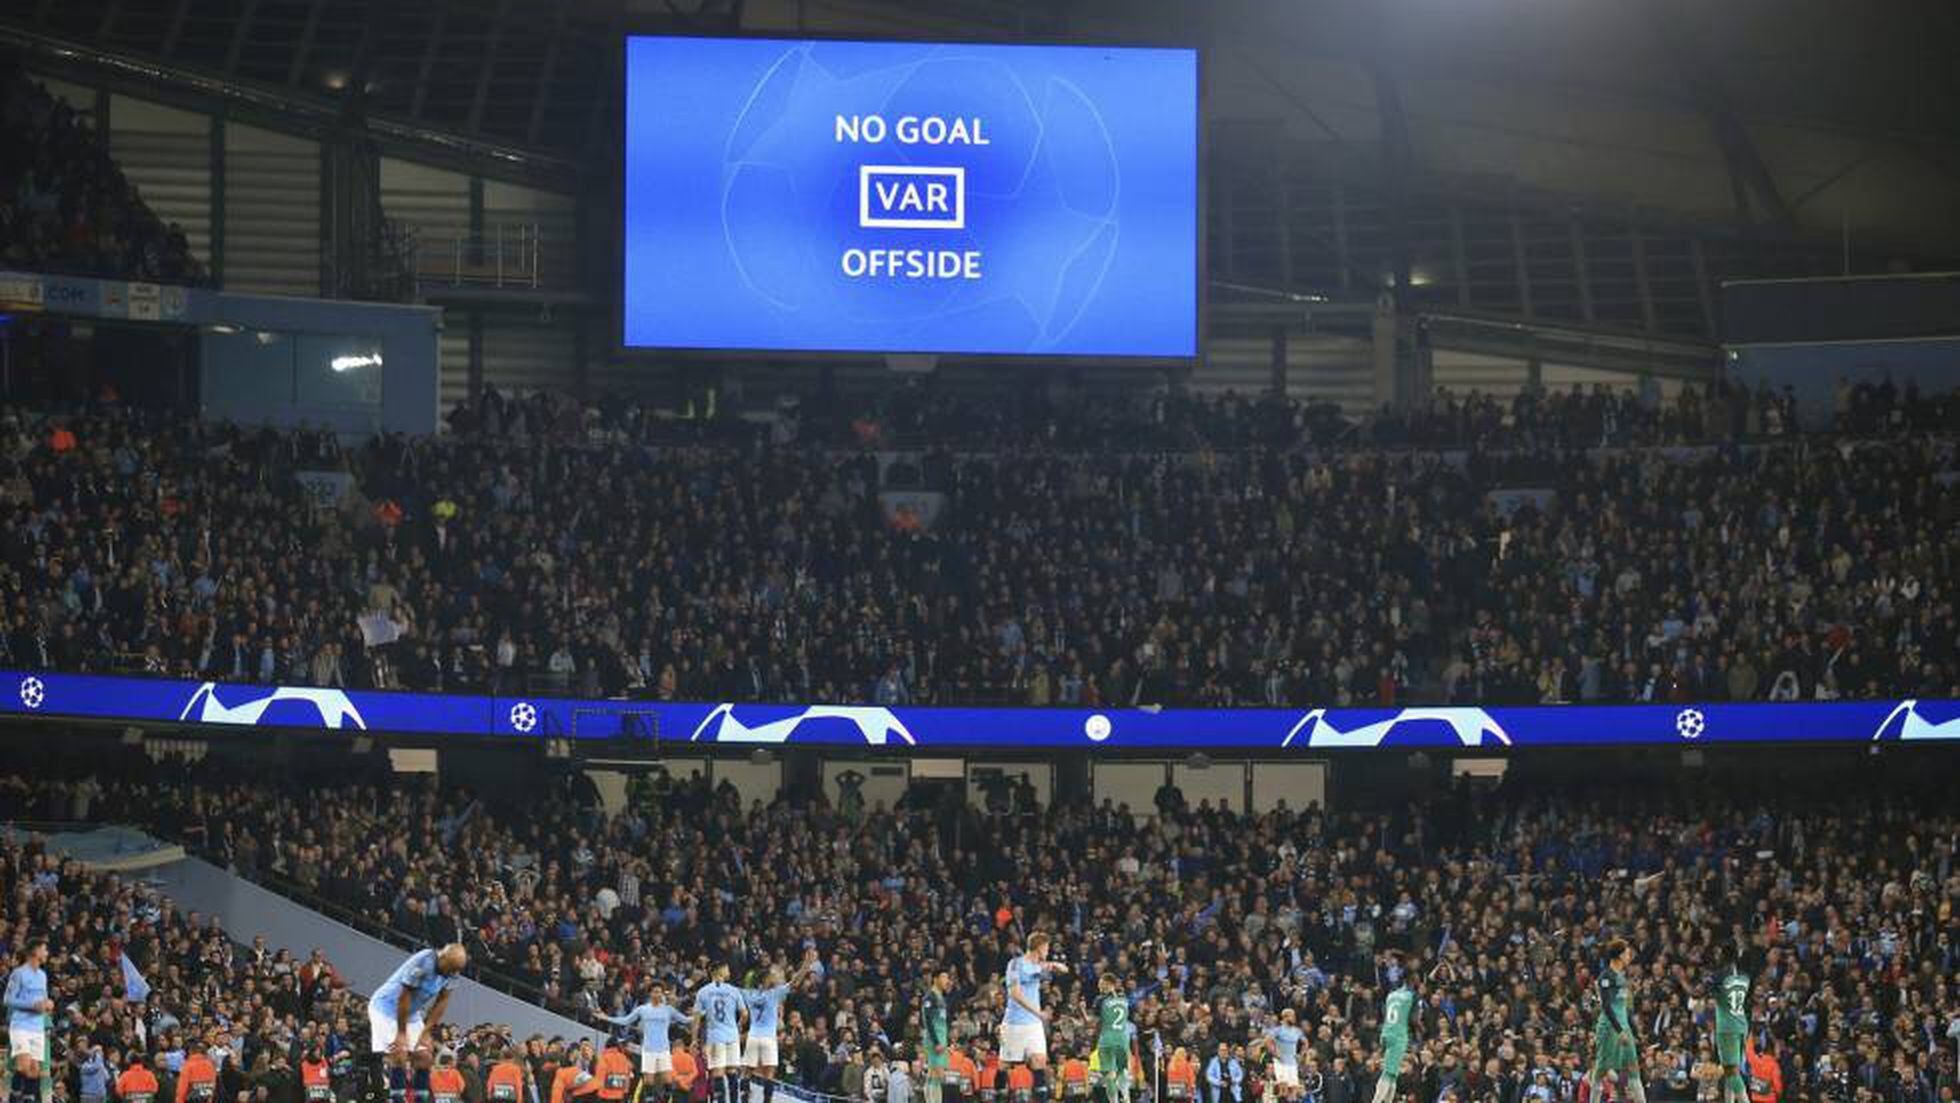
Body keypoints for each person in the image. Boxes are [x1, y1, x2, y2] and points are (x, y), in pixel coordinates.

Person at [368, 945, 469, 1103]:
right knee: (400, 1053)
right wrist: (401, 1033)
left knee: (425, 1056)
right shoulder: (424, 962)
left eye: (455, 970)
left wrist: (426, 1032)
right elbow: (404, 997)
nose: (452, 973)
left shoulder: (453, 971)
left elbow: (442, 1001)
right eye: (450, 968)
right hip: (386, 1008)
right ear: (442, 958)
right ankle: (397, 1099)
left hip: (412, 1012)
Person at [998, 934, 1068, 1103]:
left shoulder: (1040, 965)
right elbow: (1015, 994)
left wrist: (1055, 965)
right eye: (1046, 947)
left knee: (1039, 1063)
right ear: (1039, 947)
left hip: (1034, 1025)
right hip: (1015, 1023)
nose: (1048, 951)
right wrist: (1038, 1012)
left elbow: (1065, 969)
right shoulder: (1015, 964)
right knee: (1005, 1066)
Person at [742, 958, 814, 1103]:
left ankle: (744, 1097)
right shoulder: (774, 994)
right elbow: (795, 983)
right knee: (769, 1073)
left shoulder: (750, 994)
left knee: (747, 1071)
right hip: (768, 1038)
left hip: (753, 1037)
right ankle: (767, 1100)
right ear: (767, 980)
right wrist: (805, 966)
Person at [601, 981, 687, 1100]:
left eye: (660, 993)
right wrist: (606, 1017)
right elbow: (625, 1020)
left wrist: (701, 1014)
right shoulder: (643, 1009)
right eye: (656, 992)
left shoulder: (668, 1009)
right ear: (650, 993)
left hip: (664, 1049)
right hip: (648, 1049)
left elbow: (685, 1020)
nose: (658, 995)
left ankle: (666, 1100)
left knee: (667, 1080)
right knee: (648, 1082)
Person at [1586, 940, 1646, 1103]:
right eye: (1627, 953)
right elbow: (1606, 1006)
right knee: (1600, 1070)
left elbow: (1625, 1009)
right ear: (1620, 955)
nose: (1629, 956)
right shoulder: (1606, 977)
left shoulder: (1622, 977)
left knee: (1634, 1070)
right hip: (1609, 1028)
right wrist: (1620, 1030)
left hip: (1624, 1028)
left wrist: (1635, 1031)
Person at [7, 941, 53, 1103]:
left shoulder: (42, 975)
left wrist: (48, 1004)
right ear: (35, 951)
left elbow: (43, 999)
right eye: (45, 949)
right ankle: (12, 1098)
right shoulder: (18, 974)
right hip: (21, 1025)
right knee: (23, 1067)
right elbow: (8, 999)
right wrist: (32, 1005)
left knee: (34, 1071)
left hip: (37, 1027)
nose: (47, 952)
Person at [692, 967, 745, 1103]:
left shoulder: (703, 992)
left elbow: (696, 1019)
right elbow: (744, 1014)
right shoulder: (733, 990)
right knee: (732, 1072)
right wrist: (738, 1026)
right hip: (732, 1036)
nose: (729, 971)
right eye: (727, 969)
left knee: (717, 1073)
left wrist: (694, 1039)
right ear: (718, 971)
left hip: (715, 1037)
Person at [1367, 954, 1415, 1103]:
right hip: (1399, 1036)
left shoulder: (1391, 995)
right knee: (1388, 1073)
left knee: (1393, 1073)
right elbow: (1413, 1018)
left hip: (1386, 1032)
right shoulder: (1410, 996)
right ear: (1412, 980)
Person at [1710, 963, 1749, 1103]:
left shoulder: (1721, 983)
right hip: (1741, 1025)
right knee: (1732, 1072)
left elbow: (1707, 991)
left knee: (1730, 1071)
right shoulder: (1745, 979)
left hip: (1727, 1029)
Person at [1091, 976, 1133, 1103]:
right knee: (1122, 1070)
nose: (1099, 987)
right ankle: (1126, 1097)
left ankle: (1114, 1101)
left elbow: (1092, 1022)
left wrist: (1082, 1010)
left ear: (1108, 984)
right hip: (1123, 1040)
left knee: (1109, 1075)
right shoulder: (1124, 999)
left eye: (1101, 984)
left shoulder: (1100, 1000)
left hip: (1107, 1040)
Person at [1255, 1010, 1305, 1102]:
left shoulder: (1297, 1031)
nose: (1294, 1018)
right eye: (1292, 1016)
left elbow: (1305, 1042)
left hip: (1292, 1063)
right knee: (1283, 1090)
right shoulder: (1278, 1030)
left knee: (1294, 1090)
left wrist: (1301, 1055)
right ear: (1285, 1017)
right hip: (1281, 1063)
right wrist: (1274, 1053)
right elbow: (1267, 1041)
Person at [920, 972, 953, 1103]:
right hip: (934, 1041)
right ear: (936, 979)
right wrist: (936, 1042)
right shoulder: (930, 996)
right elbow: (927, 1020)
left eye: (948, 977)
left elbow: (943, 1022)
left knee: (934, 1075)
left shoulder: (941, 997)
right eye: (944, 977)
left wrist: (947, 1043)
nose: (947, 980)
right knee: (937, 1074)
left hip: (941, 1040)